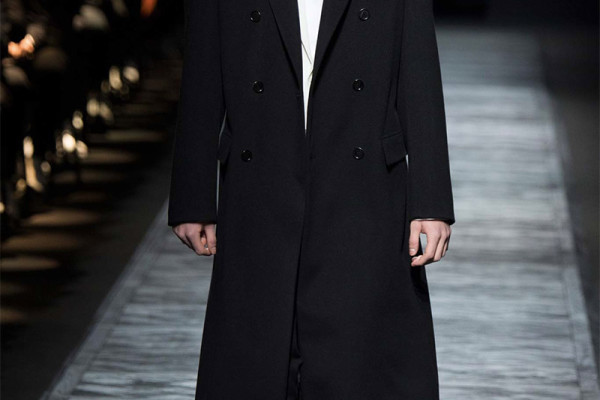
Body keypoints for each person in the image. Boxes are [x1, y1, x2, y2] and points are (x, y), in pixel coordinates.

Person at [169, 0, 455, 397]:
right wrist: (192, 194)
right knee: (257, 356)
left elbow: (418, 63)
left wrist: (431, 199)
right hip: (260, 176)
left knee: (358, 359)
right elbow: (201, 67)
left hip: (365, 179)